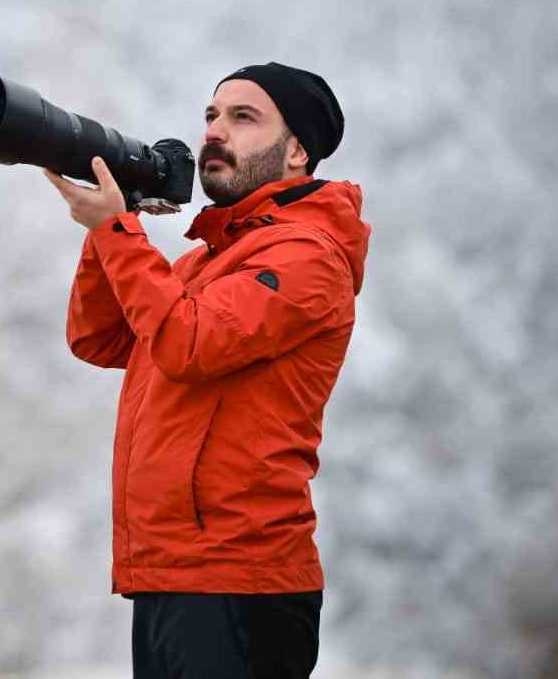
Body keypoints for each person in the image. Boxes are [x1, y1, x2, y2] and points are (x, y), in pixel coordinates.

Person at [43, 62, 370, 679]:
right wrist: (114, 223)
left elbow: (188, 342)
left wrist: (116, 231)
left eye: (243, 118)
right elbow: (99, 337)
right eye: (211, 116)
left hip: (243, 584)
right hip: (173, 575)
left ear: (298, 149)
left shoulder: (308, 256)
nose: (215, 132)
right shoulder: (205, 264)